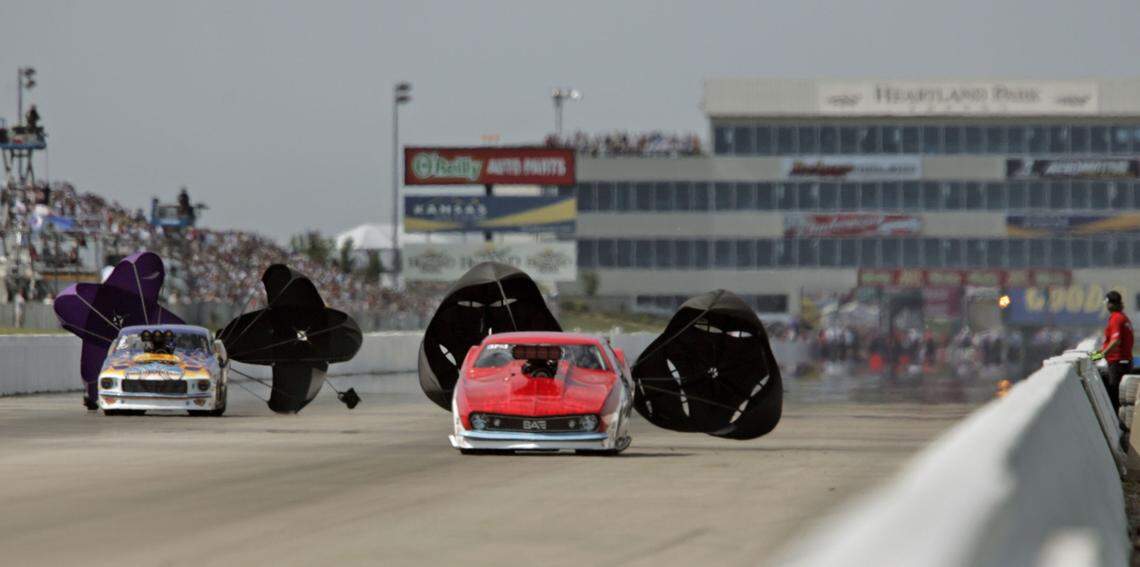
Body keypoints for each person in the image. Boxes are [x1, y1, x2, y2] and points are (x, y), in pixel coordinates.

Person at [1093, 290, 1133, 411]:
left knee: (1114, 394)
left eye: (1108, 303)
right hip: (1123, 361)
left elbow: (1116, 341)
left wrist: (1101, 355)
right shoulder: (1123, 317)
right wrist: (1098, 353)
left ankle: (1118, 423)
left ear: (1111, 304)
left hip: (1118, 363)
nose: (1107, 306)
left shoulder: (1116, 318)